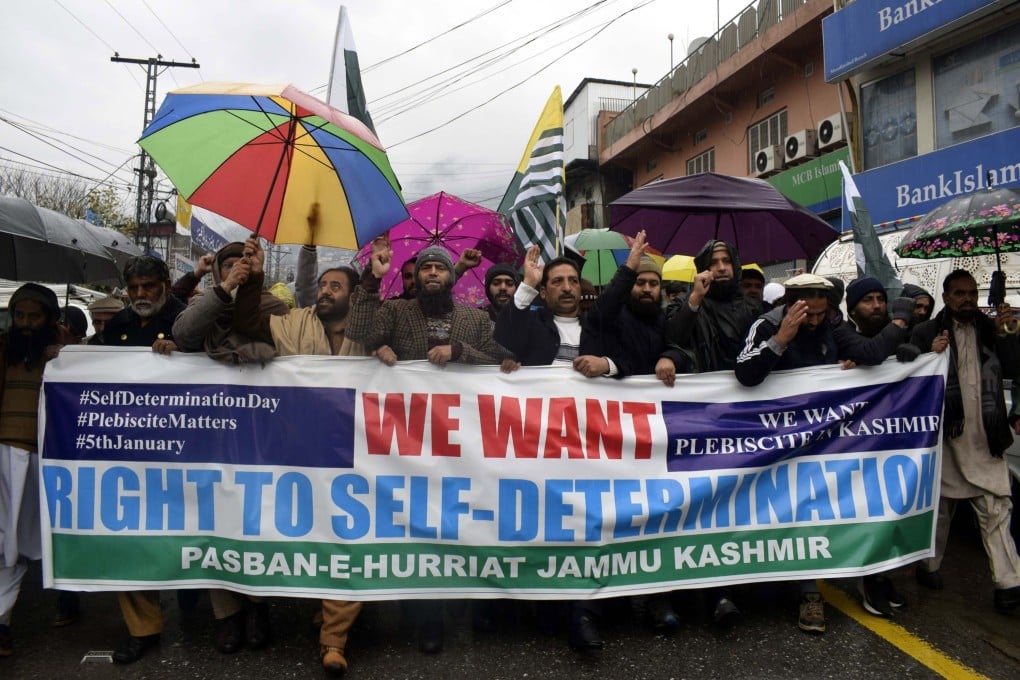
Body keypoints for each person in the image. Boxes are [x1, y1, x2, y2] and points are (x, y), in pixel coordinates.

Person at [346, 241, 504, 655]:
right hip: (408, 445)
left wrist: (459, 352)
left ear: (452, 277)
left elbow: (501, 361)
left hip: (463, 443)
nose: (432, 273)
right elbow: (360, 333)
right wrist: (371, 281)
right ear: (414, 277)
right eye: (425, 268)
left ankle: (459, 600)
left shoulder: (475, 319)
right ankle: (426, 615)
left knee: (459, 523)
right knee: (416, 527)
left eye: (440, 268)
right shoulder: (396, 312)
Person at [734, 274, 909, 633]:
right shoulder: (766, 325)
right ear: (789, 304)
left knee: (815, 510)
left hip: (821, 439)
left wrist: (862, 362)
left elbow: (867, 353)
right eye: (806, 315)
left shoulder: (832, 323)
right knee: (783, 511)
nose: (813, 322)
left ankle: (811, 591)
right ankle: (777, 582)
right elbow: (745, 373)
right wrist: (781, 339)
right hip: (775, 440)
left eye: (819, 314)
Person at [230, 236, 367, 675]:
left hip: (353, 458)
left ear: (353, 297)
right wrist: (252, 279)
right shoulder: (295, 321)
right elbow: (249, 323)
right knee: (280, 535)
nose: (325, 292)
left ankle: (334, 640)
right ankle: (261, 608)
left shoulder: (368, 333)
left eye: (336, 287)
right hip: (291, 454)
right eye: (323, 285)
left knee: (347, 543)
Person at [172, 242, 290, 654]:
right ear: (219, 269)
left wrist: (251, 287)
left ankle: (257, 606)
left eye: (245, 261)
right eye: (229, 262)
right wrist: (223, 290)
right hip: (210, 433)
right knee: (213, 518)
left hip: (259, 431)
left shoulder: (274, 307)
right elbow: (184, 334)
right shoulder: (208, 301)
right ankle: (227, 615)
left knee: (254, 517)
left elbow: (282, 344)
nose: (238, 266)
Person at [493, 246, 610, 650]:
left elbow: (636, 355)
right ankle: (543, 607)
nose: (565, 287)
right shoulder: (532, 322)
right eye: (555, 281)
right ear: (544, 292)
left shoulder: (600, 325)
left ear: (582, 288)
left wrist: (607, 364)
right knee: (543, 524)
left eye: (572, 280)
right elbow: (503, 335)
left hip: (590, 445)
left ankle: (583, 614)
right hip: (538, 445)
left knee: (586, 525)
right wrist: (525, 283)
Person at [904, 270, 1020, 612]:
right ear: (946, 296)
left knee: (996, 508)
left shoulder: (990, 328)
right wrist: (927, 350)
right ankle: (929, 566)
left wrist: (1008, 334)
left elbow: (1015, 368)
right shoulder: (929, 329)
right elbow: (906, 359)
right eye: (959, 293)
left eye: (971, 293)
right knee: (940, 510)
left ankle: (1008, 584)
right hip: (946, 434)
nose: (967, 299)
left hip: (987, 434)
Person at [663, 239, 761, 625]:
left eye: (726, 261)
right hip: (699, 421)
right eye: (713, 262)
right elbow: (672, 339)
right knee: (695, 504)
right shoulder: (689, 305)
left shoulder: (755, 309)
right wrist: (693, 301)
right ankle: (685, 587)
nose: (721, 268)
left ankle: (724, 591)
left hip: (744, 421)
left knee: (731, 505)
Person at [102, 256, 186, 663]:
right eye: (133, 288)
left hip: (185, 450)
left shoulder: (186, 320)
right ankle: (143, 627)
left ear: (165, 284)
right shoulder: (117, 325)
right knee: (131, 535)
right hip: (130, 450)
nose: (140, 295)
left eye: (148, 286)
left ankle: (202, 606)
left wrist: (183, 352)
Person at [0, 284, 72, 656]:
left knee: (21, 544)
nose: (26, 324)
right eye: (20, 316)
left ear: (50, 319)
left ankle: (67, 603)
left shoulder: (63, 357)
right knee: (5, 544)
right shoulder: (3, 349)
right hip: (3, 457)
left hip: (42, 460)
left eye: (34, 316)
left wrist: (70, 354)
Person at [840, 277, 916, 616]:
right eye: (868, 300)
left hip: (887, 441)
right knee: (862, 510)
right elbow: (869, 353)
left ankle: (883, 574)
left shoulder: (896, 334)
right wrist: (899, 325)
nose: (876, 306)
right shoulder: (842, 333)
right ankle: (867, 579)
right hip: (850, 446)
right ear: (853, 306)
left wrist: (914, 355)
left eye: (880, 299)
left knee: (886, 510)